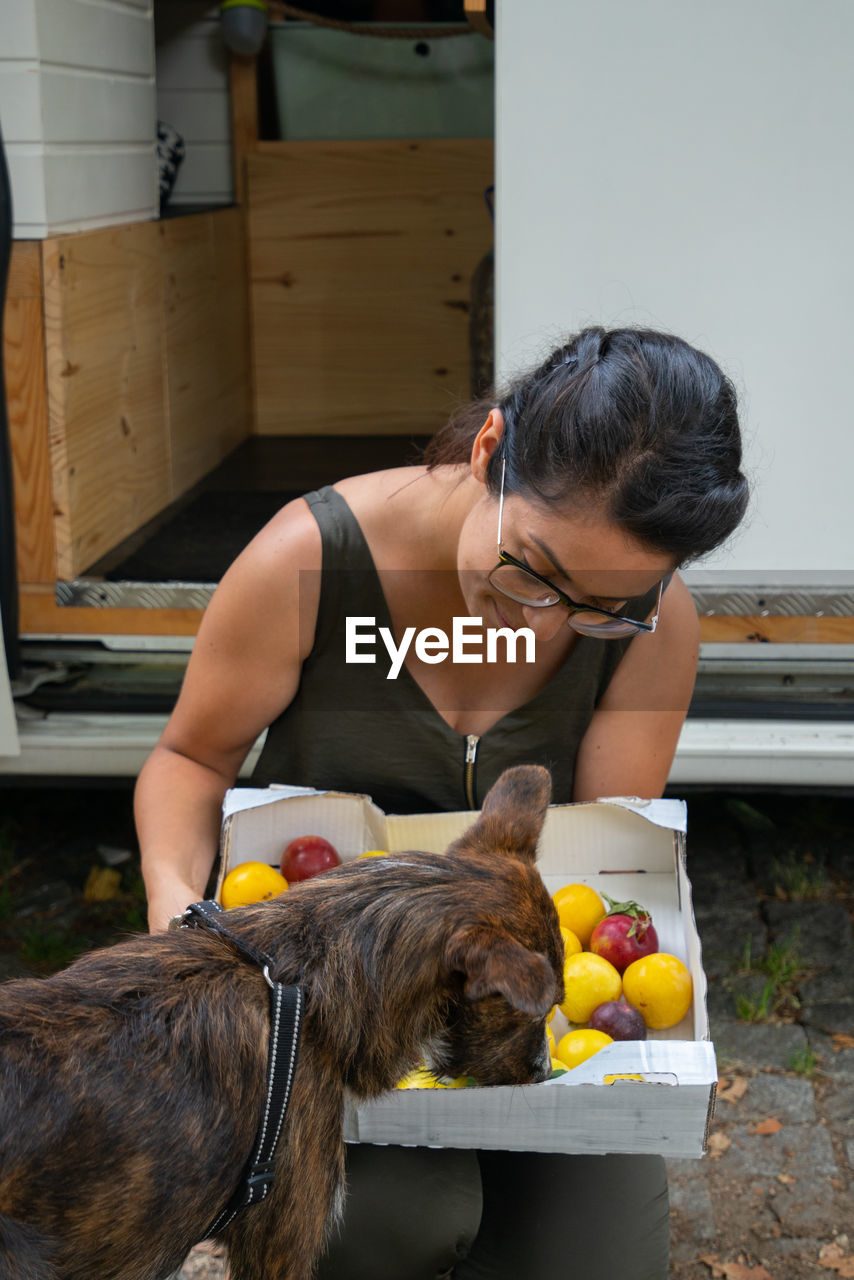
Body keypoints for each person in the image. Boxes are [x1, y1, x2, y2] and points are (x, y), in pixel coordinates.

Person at [136, 325, 749, 1280]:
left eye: (597, 604)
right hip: (328, 1005)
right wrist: (177, 909)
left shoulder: (651, 626)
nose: (544, 617)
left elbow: (598, 849)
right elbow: (186, 759)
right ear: (489, 450)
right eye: (533, 567)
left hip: (519, 1002)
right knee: (381, 1231)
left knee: (589, 1262)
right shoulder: (309, 562)